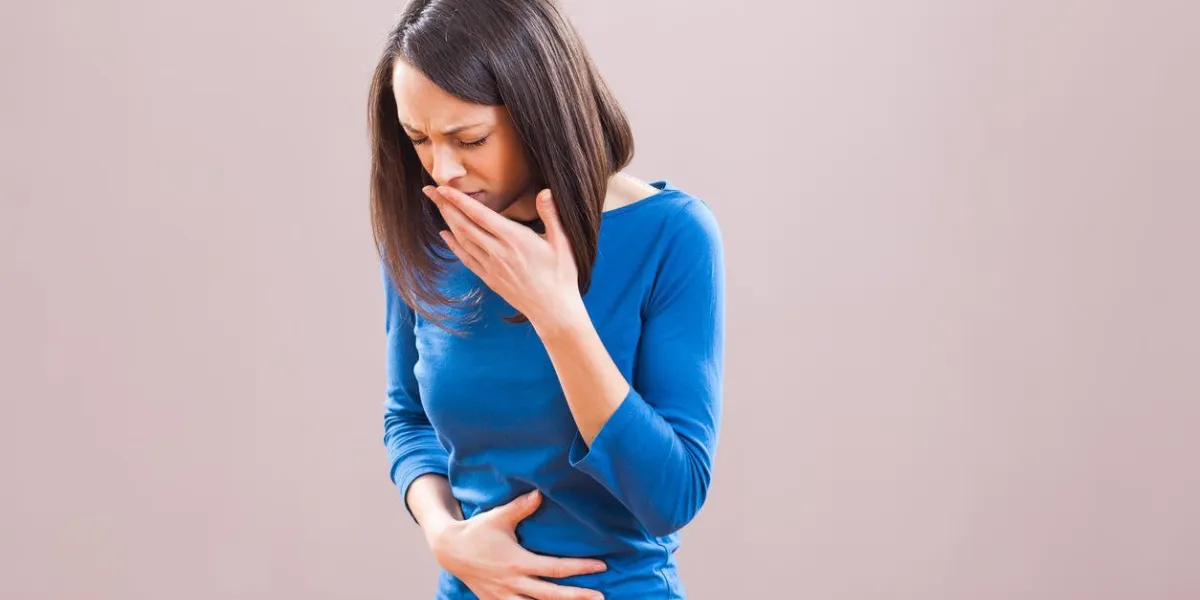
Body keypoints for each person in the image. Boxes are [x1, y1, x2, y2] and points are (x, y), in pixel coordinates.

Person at [367, 1, 725, 598]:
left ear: (541, 113)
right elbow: (407, 418)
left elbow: (673, 495)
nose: (443, 170)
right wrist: (444, 534)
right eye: (419, 139)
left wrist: (558, 317)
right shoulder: (430, 231)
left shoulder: (671, 234)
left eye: (470, 138)